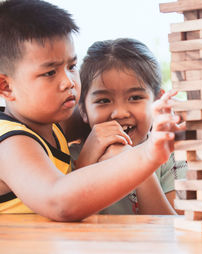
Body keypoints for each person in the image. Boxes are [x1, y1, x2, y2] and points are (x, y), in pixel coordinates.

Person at [0, 0, 181, 221]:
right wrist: (147, 154)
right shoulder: (9, 142)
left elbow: (111, 116)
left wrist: (166, 117)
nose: (68, 82)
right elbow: (59, 202)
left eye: (71, 67)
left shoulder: (50, 120)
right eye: (50, 73)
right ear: (6, 87)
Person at [71, 38, 187, 215]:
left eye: (135, 98)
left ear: (157, 102)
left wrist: (139, 166)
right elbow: (68, 223)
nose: (120, 113)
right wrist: (86, 161)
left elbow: (175, 235)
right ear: (84, 110)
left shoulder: (171, 158)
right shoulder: (71, 158)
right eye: (103, 100)